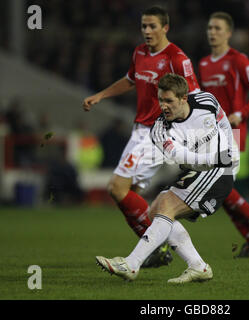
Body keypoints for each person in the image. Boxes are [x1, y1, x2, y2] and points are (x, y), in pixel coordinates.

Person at [82, 6, 200, 267]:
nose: (147, 31)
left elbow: (194, 97)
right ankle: (159, 252)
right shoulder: (139, 53)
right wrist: (101, 95)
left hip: (158, 132)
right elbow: (129, 79)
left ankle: (155, 252)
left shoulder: (177, 58)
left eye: (152, 26)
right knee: (132, 195)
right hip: (140, 130)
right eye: (143, 26)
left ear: (165, 28)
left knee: (116, 187)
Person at [96, 73, 238, 283]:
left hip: (222, 170)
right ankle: (198, 266)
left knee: (168, 207)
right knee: (156, 210)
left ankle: (131, 264)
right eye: (161, 100)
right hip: (204, 166)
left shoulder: (206, 102)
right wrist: (214, 158)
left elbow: (225, 126)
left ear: (183, 98)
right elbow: (182, 157)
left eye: (169, 101)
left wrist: (229, 152)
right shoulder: (160, 130)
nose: (163, 106)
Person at [198, 12, 249, 257]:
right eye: (209, 27)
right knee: (222, 190)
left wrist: (241, 112)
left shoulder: (239, 60)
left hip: (234, 131)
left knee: (221, 185)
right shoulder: (204, 64)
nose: (212, 32)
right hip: (212, 134)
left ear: (229, 33)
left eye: (217, 28)